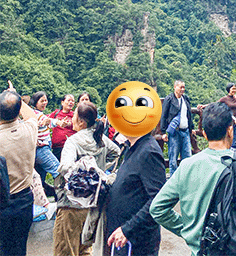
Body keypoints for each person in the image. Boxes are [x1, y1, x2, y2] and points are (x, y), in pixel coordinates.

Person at [150, 102, 236, 256]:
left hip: (201, 249)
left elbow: (157, 209)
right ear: (230, 130)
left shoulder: (187, 166)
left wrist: (190, 229)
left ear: (205, 134)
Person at [53, 102, 120, 256]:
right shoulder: (100, 139)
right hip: (93, 203)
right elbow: (116, 152)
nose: (73, 118)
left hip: (71, 205)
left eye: (75, 115)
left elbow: (66, 168)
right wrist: (100, 171)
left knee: (66, 249)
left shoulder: (73, 141)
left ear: (81, 122)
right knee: (84, 249)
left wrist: (82, 176)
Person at [105, 120, 166, 256]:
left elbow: (158, 200)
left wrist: (128, 229)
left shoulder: (149, 151)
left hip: (137, 241)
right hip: (121, 239)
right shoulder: (132, 148)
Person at [0, 82, 39, 256]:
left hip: (3, 205)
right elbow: (32, 116)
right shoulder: (30, 130)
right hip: (24, 201)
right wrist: (15, 96)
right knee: (18, 249)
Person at [160, 80, 194, 177]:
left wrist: (191, 129)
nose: (182, 89)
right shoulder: (169, 99)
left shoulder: (185, 99)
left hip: (185, 132)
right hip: (174, 133)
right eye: (180, 87)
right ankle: (173, 180)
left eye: (183, 87)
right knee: (173, 158)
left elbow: (189, 115)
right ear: (175, 87)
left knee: (187, 157)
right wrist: (163, 132)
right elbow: (164, 115)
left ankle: (186, 178)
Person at [29, 91, 62, 186]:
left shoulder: (37, 113)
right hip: (41, 149)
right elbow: (43, 121)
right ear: (35, 103)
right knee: (58, 170)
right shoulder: (36, 114)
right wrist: (45, 122)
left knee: (40, 176)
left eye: (45, 100)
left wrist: (57, 122)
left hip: (39, 149)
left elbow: (49, 121)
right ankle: (63, 194)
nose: (45, 103)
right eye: (42, 101)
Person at [49, 94, 76, 161]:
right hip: (57, 147)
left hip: (70, 147)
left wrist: (69, 124)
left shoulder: (75, 115)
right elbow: (46, 119)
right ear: (62, 102)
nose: (71, 102)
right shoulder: (56, 113)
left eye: (72, 101)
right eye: (69, 100)